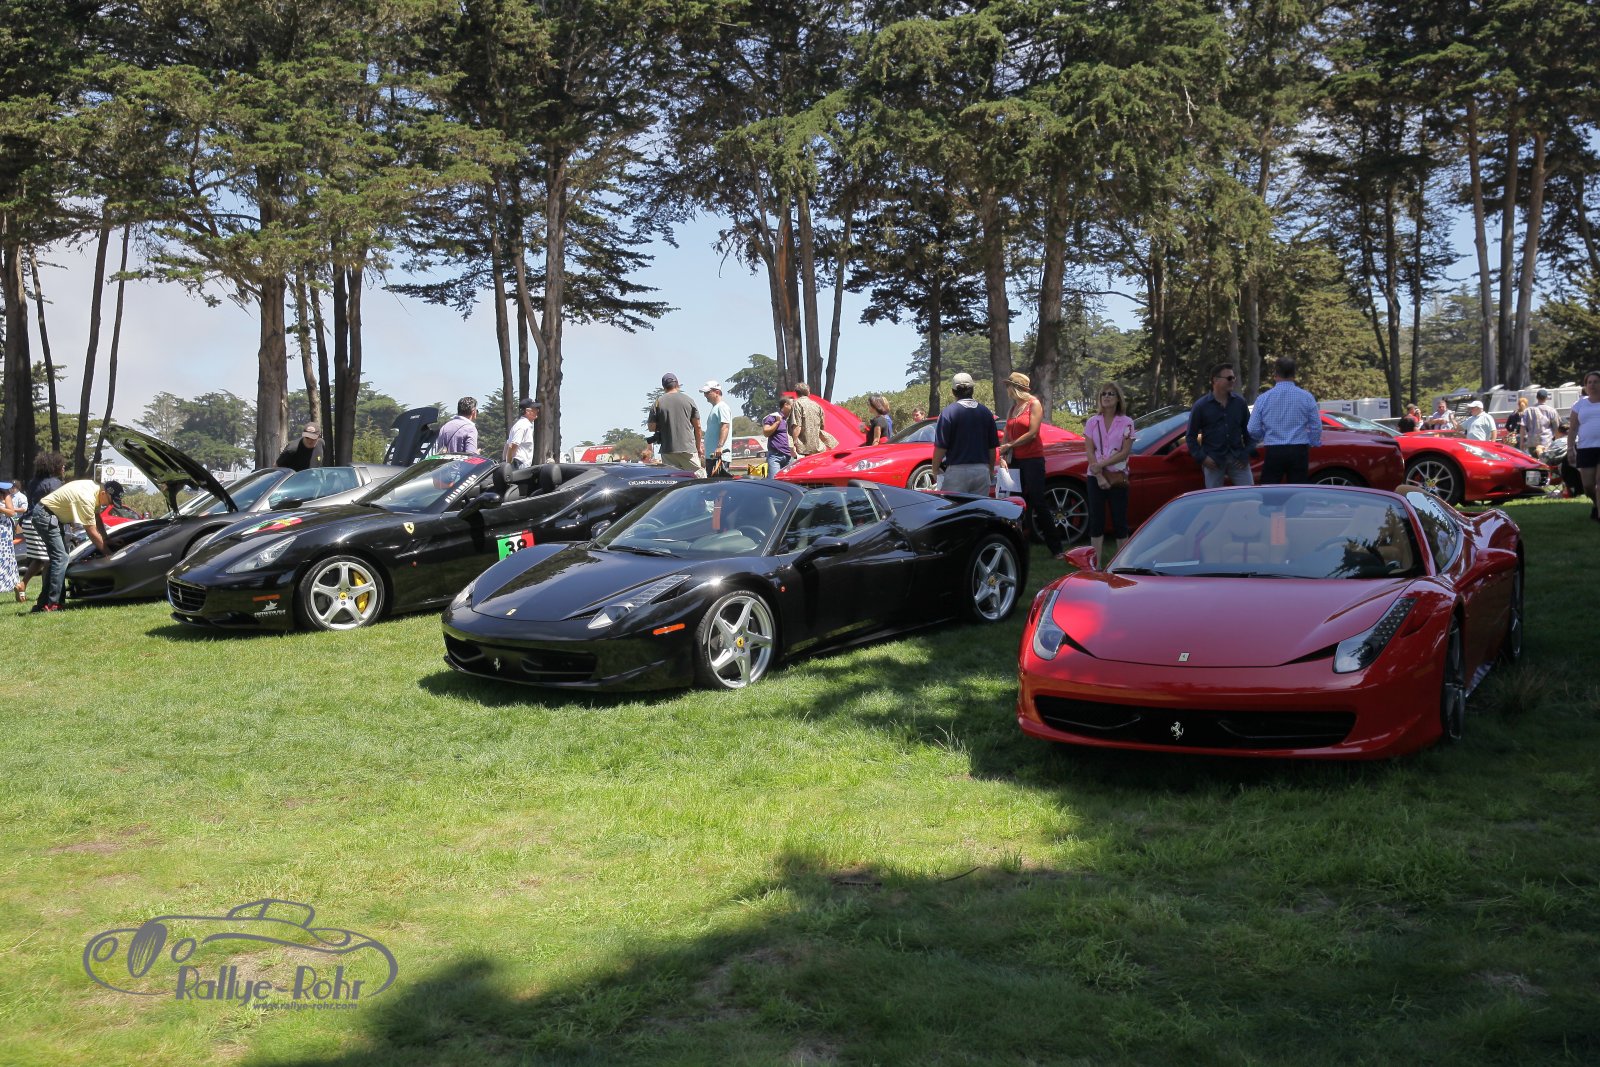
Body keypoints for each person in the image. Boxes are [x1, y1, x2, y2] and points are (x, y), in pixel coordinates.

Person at [997, 372, 1065, 557]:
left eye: (1008, 385)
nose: (1006, 389)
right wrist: (1003, 455)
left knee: (1038, 501)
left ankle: (1056, 548)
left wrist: (1010, 445)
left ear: (1015, 388)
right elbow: (1006, 434)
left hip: (1033, 460)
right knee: (1016, 503)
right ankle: (1018, 547)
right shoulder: (1013, 408)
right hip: (1015, 461)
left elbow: (1033, 433)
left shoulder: (1034, 404)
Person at [33, 477, 111, 612]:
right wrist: (108, 553)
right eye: (110, 501)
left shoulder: (95, 490)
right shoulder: (87, 498)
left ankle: (43, 603)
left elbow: (97, 517)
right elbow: (92, 532)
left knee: (57, 560)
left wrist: (107, 539)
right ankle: (53, 604)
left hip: (50, 516)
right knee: (61, 558)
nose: (109, 505)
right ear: (103, 493)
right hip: (45, 515)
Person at [1247, 357, 1322, 484]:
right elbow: (1316, 426)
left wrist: (1264, 436)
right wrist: (1312, 442)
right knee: (1298, 490)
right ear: (1294, 374)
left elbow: (1252, 428)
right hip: (1299, 449)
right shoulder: (1306, 397)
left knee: (1270, 489)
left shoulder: (1263, 398)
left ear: (1275, 374)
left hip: (1274, 449)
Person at [1084, 381, 1135, 566]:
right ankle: (1095, 564)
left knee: (1120, 521)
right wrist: (1098, 475)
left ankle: (1122, 564)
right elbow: (1089, 450)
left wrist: (1102, 465)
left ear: (1118, 398)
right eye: (1103, 394)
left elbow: (1125, 452)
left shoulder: (1127, 422)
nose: (1106, 397)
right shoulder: (1092, 422)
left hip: (1117, 477)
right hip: (1095, 477)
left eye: (1111, 394)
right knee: (1096, 520)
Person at [1186, 362, 1254, 488]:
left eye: (1233, 378)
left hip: (1238, 459)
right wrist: (1203, 458)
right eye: (1229, 378)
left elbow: (1249, 432)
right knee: (1213, 497)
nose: (1232, 381)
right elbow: (1190, 437)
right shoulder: (1201, 406)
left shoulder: (1240, 403)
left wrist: (1246, 454)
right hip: (1213, 461)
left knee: (1250, 494)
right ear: (1215, 380)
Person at [930, 371, 999, 496]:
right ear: (972, 389)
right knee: (979, 507)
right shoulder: (986, 412)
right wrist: (989, 470)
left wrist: (935, 469)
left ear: (953, 391)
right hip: (982, 470)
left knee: (955, 507)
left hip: (957, 471)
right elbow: (992, 448)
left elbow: (941, 447)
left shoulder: (947, 413)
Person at [20, 451, 65, 592]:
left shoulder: (33, 482)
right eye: (61, 465)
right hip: (40, 522)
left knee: (39, 558)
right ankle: (46, 592)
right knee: (50, 559)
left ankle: (22, 585)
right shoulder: (54, 483)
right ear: (54, 466)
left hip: (27, 522)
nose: (64, 467)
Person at [648, 373, 704, 476]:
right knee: (698, 478)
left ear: (663, 386)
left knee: (672, 480)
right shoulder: (689, 400)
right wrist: (698, 447)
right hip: (688, 449)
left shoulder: (657, 403)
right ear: (677, 384)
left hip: (668, 450)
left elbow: (651, 427)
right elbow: (698, 427)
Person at [1566, 370, 1600, 522]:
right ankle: (1596, 504)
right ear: (1585, 386)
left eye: (1596, 382)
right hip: (1585, 448)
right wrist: (1570, 449)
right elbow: (1573, 429)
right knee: (1588, 486)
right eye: (1589, 382)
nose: (1592, 385)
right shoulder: (1579, 404)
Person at [700, 380, 733, 477]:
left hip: (719, 456)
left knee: (719, 485)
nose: (705, 395)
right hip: (712, 456)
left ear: (717, 392)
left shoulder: (722, 407)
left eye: (707, 392)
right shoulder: (715, 408)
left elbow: (725, 426)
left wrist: (719, 447)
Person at [0, 480, 25, 601]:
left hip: (3, 530)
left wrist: (0, 509)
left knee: (5, 557)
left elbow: (12, 512)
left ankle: (15, 585)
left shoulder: (6, 496)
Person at [790, 383, 826, 458]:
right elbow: (822, 426)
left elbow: (797, 426)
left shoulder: (797, 404)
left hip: (804, 447)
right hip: (818, 446)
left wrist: (793, 444)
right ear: (808, 392)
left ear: (796, 393)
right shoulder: (817, 405)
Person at [762, 396, 795, 477]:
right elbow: (766, 432)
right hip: (775, 456)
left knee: (788, 481)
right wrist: (777, 422)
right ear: (786, 405)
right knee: (775, 480)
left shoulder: (788, 420)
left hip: (788, 456)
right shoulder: (773, 417)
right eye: (792, 404)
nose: (794, 406)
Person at [504, 397, 540, 469]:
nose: (537, 410)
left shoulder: (520, 424)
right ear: (527, 411)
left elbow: (507, 445)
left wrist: (505, 462)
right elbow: (512, 445)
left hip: (518, 464)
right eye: (535, 409)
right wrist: (508, 464)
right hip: (519, 464)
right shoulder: (523, 425)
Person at [1530, 390, 1559, 456]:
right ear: (1546, 398)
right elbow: (1556, 427)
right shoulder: (1551, 410)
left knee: (1533, 460)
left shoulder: (1530, 410)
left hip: (1532, 442)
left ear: (1537, 397)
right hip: (1546, 441)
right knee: (1546, 460)